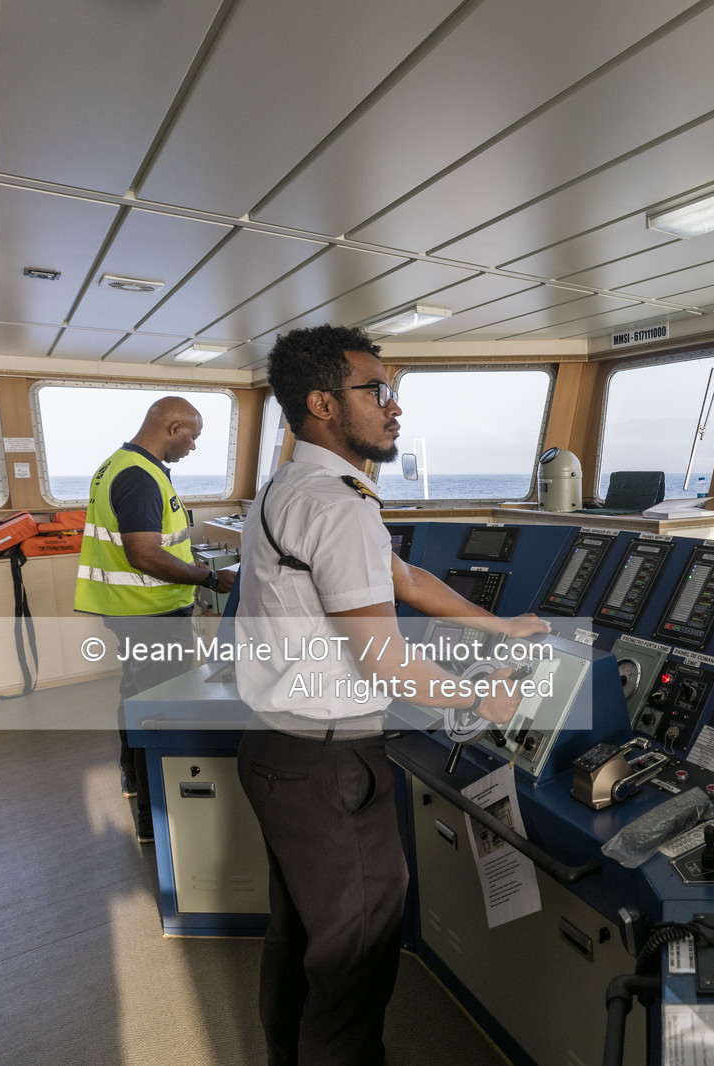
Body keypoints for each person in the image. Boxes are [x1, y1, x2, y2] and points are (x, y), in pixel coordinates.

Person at [233, 324, 550, 1066]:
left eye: (392, 390)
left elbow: (403, 579)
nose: (394, 406)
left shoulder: (296, 485)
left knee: (303, 937)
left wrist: (494, 623)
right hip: (328, 766)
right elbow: (382, 660)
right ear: (322, 403)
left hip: (276, 754)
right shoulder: (338, 504)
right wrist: (478, 702)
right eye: (374, 390)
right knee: (354, 962)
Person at [75, 396, 235, 842]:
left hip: (131, 609)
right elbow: (144, 554)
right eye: (193, 436)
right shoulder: (139, 476)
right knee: (158, 709)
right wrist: (209, 578)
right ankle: (153, 816)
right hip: (150, 612)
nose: (193, 446)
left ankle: (131, 780)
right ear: (173, 427)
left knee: (136, 695)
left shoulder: (118, 464)